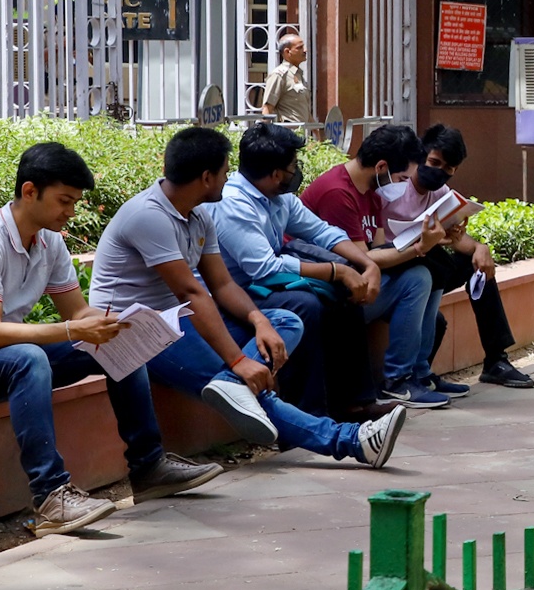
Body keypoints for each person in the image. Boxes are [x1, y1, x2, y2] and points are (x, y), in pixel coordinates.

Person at [0, 142, 223, 535]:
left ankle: (148, 467)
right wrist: (72, 331)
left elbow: (78, 314)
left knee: (116, 344)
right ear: (30, 192)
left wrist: (130, 323)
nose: (70, 212)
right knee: (29, 358)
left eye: (75, 202)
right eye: (64, 201)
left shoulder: (50, 243)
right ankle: (50, 496)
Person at [88, 127, 406, 468]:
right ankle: (349, 441)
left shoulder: (199, 215)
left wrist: (258, 321)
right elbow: (191, 291)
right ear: (207, 177)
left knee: (284, 321)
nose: (230, 178)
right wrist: (240, 363)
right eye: (226, 172)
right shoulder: (149, 215)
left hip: (180, 319)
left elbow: (222, 286)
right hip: (136, 331)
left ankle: (232, 383)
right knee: (241, 385)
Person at [208, 122, 390, 419]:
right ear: (277, 173)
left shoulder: (279, 199)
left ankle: (354, 402)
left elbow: (323, 232)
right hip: (234, 292)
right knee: (305, 306)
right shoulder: (234, 205)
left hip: (267, 284)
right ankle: (308, 413)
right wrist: (337, 271)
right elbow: (264, 268)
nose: (297, 171)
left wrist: (365, 263)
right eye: (294, 165)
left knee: (344, 293)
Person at [302, 124, 457, 408]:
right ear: (382, 166)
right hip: (329, 296)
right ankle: (398, 381)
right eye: (401, 177)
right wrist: (420, 247)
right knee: (419, 277)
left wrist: (427, 245)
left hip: (358, 285)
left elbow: (380, 248)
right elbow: (365, 259)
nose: (402, 184)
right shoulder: (338, 193)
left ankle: (415, 375)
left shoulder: (373, 192)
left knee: (425, 272)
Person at [384, 124, 534, 389]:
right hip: (397, 271)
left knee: (477, 266)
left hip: (425, 265)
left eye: (448, 169)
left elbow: (456, 239)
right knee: (433, 267)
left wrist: (480, 248)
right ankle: (415, 375)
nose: (439, 172)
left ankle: (496, 361)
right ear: (421, 154)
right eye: (434, 162)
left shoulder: (440, 194)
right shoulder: (393, 192)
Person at [260, 32, 314, 125]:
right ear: (287, 52)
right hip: (286, 135)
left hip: (301, 134)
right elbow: (267, 108)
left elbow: (304, 112)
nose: (305, 50)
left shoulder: (298, 74)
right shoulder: (279, 75)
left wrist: (319, 135)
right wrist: (264, 134)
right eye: (299, 48)